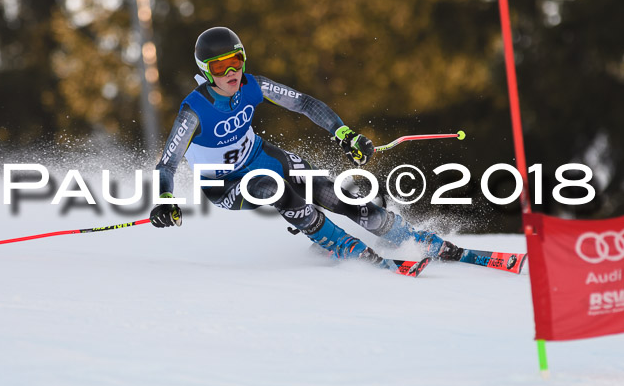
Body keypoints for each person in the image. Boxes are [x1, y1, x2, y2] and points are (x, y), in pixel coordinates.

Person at [149, 27, 463, 272]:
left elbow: (304, 103)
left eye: (236, 62)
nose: (231, 73)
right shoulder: (194, 110)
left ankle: (407, 237)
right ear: (205, 71)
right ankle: (336, 242)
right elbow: (167, 165)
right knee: (273, 188)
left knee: (330, 192)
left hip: (260, 156)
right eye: (220, 68)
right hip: (225, 184)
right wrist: (165, 200)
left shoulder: (252, 85)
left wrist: (345, 134)